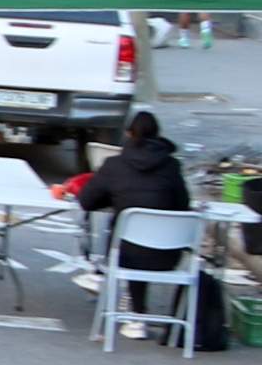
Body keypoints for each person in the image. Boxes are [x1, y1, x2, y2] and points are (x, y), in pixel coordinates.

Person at [78, 109, 196, 268]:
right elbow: (182, 204)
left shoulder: (114, 165)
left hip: (124, 254)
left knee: (119, 233)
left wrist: (113, 197)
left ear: (128, 134)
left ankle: (110, 282)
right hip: (167, 256)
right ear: (158, 134)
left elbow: (87, 201)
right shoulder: (172, 166)